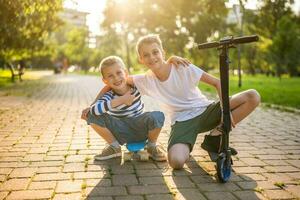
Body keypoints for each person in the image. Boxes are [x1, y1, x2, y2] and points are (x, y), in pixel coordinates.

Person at [129, 34, 260, 169]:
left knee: (252, 96)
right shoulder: (145, 80)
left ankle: (215, 136)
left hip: (206, 110)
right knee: (176, 162)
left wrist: (224, 111)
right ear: (141, 60)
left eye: (155, 52)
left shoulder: (182, 66)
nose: (152, 57)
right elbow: (118, 80)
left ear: (163, 52)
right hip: (182, 121)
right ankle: (186, 144)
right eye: (146, 55)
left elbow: (217, 82)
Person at [82, 56, 167, 161]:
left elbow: (153, 77)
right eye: (110, 76)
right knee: (90, 115)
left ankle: (151, 146)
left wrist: (170, 61)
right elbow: (94, 110)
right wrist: (121, 100)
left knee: (157, 115)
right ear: (105, 81)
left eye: (119, 73)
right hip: (120, 131)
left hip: (140, 128)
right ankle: (114, 147)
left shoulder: (136, 87)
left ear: (126, 73)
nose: (116, 78)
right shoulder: (109, 95)